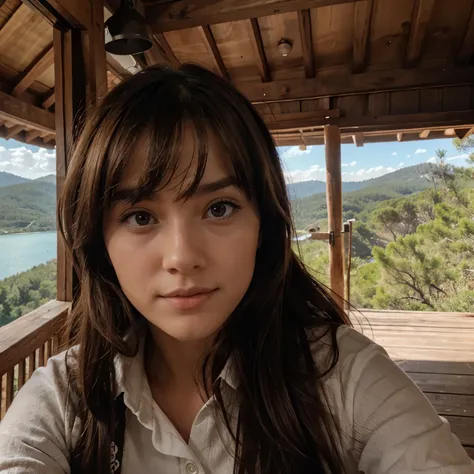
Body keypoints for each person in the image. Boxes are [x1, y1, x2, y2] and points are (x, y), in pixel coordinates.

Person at [0, 65, 472, 474]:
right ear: (99, 242)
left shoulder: (343, 377)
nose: (182, 256)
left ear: (264, 225)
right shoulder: (65, 400)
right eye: (141, 217)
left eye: (220, 208)